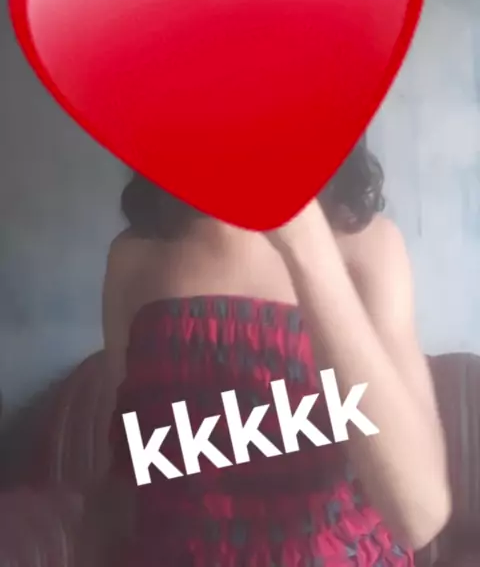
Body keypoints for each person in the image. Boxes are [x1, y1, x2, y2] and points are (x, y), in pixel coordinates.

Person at [90, 137, 450, 566]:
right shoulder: (135, 259)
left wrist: (306, 243)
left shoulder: (370, 250)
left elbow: (419, 515)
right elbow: (129, 476)